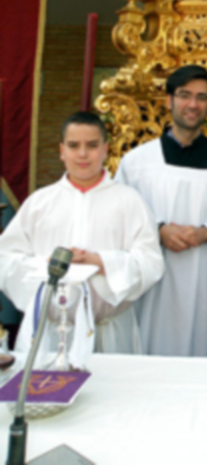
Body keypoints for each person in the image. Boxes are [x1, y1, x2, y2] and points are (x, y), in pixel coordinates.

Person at [0, 111, 164, 357]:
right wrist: (48, 266)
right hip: (50, 331)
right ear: (62, 150)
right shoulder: (39, 203)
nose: (83, 154)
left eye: (92, 145)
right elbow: (6, 258)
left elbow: (151, 262)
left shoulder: (130, 201)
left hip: (108, 332)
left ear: (106, 149)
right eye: (74, 146)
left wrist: (99, 262)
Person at [116, 65, 207, 356]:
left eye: (202, 97)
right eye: (185, 95)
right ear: (169, 100)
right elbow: (119, 216)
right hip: (154, 282)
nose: (193, 104)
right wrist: (158, 229)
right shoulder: (137, 161)